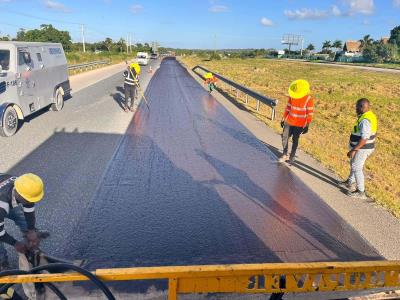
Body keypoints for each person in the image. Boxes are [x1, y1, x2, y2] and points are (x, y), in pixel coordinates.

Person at [0, 173, 45, 270]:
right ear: (19, 194)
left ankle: (31, 246)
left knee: (20, 217)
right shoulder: (2, 205)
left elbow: (29, 208)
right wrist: (15, 243)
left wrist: (31, 230)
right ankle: (2, 261)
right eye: (28, 200)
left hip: (6, 197)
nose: (31, 202)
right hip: (2, 202)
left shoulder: (23, 185)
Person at [340, 98, 377, 199]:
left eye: (357, 107)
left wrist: (354, 149)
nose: (355, 108)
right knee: (353, 163)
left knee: (356, 167)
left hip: (363, 147)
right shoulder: (369, 115)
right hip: (363, 146)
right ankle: (350, 181)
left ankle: (361, 192)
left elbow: (364, 138)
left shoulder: (365, 120)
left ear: (362, 107)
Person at [279, 79, 314, 164]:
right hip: (289, 121)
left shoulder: (308, 99)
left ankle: (292, 156)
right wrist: (283, 118)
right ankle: (285, 154)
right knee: (284, 137)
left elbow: (310, 113)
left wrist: (307, 125)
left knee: (295, 139)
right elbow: (288, 107)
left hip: (299, 124)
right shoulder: (292, 96)